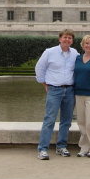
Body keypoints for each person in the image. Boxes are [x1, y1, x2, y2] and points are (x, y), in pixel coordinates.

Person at [35, 29, 78, 160]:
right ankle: (42, 149)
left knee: (66, 121)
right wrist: (44, 84)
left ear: (72, 40)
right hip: (54, 90)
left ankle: (61, 147)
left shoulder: (75, 53)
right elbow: (39, 68)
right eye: (65, 37)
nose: (67, 40)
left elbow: (84, 63)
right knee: (49, 120)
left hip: (70, 90)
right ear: (60, 39)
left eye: (70, 38)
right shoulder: (49, 52)